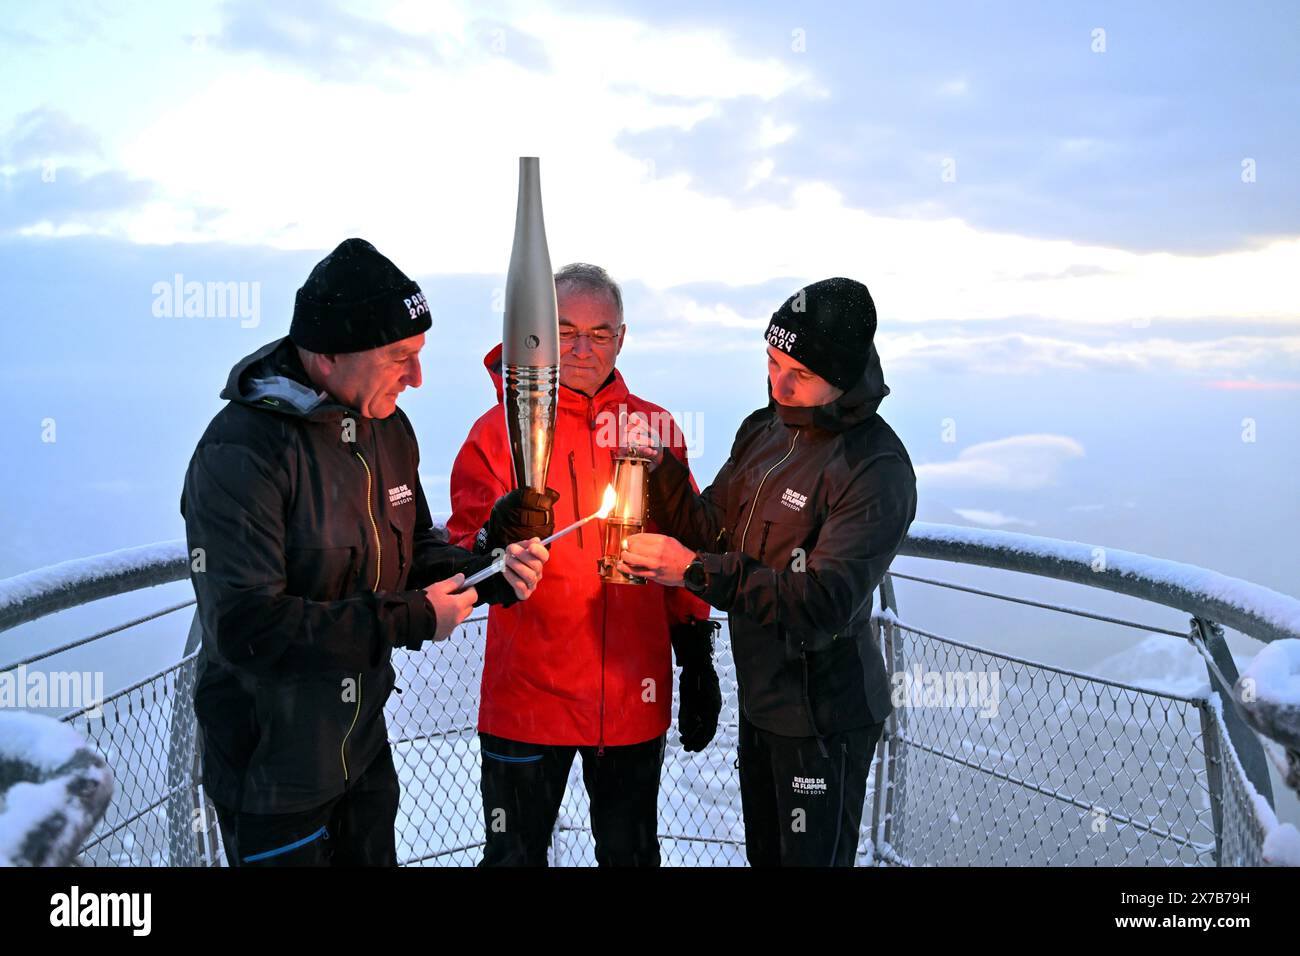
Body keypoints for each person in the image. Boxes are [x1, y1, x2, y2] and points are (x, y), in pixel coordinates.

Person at [181, 237, 549, 867]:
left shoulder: (386, 427)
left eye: (419, 355)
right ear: (326, 356)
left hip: (363, 755)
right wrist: (410, 620)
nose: (418, 378)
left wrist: (492, 566)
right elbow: (246, 627)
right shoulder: (243, 453)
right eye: (399, 357)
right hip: (275, 776)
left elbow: (418, 551)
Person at [618, 276, 917, 867]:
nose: (778, 384)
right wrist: (664, 471)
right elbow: (710, 526)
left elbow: (822, 602)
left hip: (825, 719)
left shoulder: (875, 467)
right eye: (772, 362)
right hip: (765, 705)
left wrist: (697, 574)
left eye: (798, 375)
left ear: (843, 377)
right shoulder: (765, 429)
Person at [447, 262, 721, 867]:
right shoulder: (501, 433)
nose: (581, 347)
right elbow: (463, 555)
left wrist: (694, 649)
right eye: (565, 329)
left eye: (599, 334)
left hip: (629, 698)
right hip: (528, 700)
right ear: (539, 333)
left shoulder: (654, 427)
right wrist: (495, 540)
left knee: (630, 856)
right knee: (513, 857)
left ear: (621, 338)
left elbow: (684, 545)